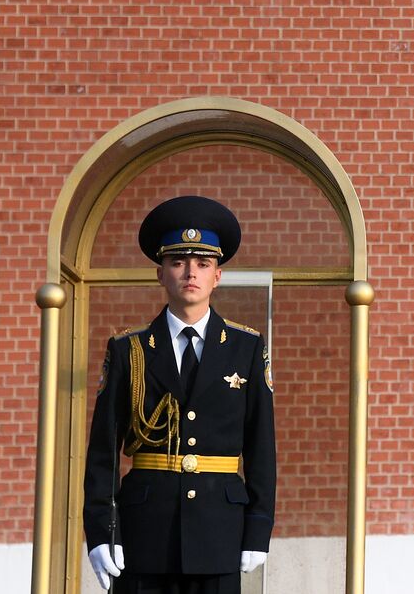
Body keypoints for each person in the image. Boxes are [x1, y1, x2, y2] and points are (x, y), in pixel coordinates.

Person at [83, 196, 276, 593]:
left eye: (203, 264)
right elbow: (103, 450)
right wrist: (101, 531)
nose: (191, 272)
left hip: (219, 531)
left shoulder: (246, 348)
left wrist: (258, 528)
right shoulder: (129, 351)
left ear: (217, 276)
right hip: (144, 533)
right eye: (178, 263)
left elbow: (261, 447)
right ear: (160, 273)